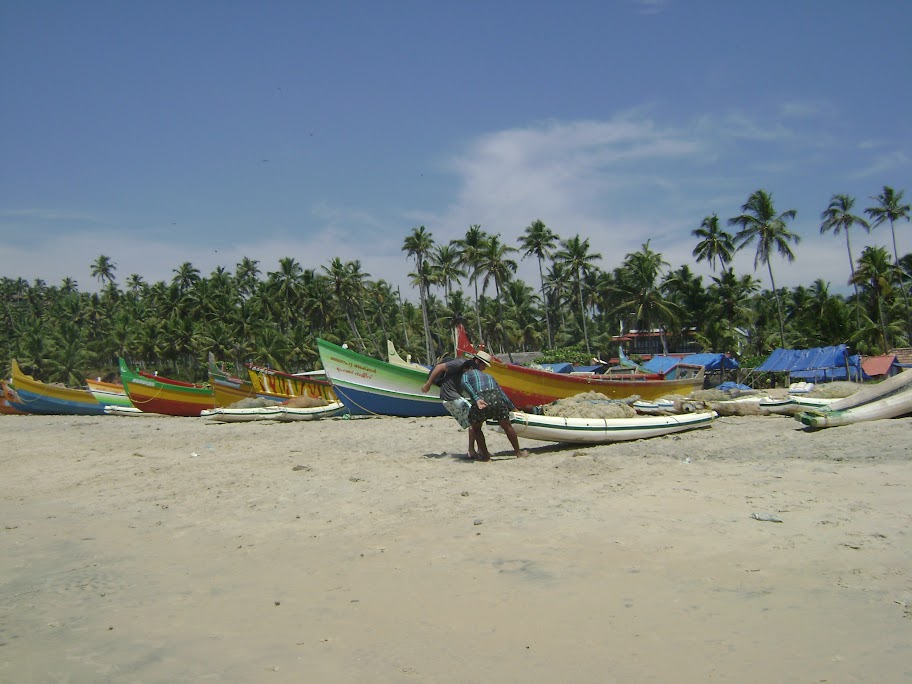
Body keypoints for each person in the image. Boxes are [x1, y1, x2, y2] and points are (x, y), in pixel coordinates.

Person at [420, 351, 527, 461]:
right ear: (477, 361)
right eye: (483, 365)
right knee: (477, 423)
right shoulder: (462, 364)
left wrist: (476, 399)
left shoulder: (470, 372)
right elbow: (439, 367)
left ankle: (478, 452)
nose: (484, 368)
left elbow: (467, 385)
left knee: (474, 423)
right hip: (451, 395)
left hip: (464, 396)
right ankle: (475, 451)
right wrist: (428, 384)